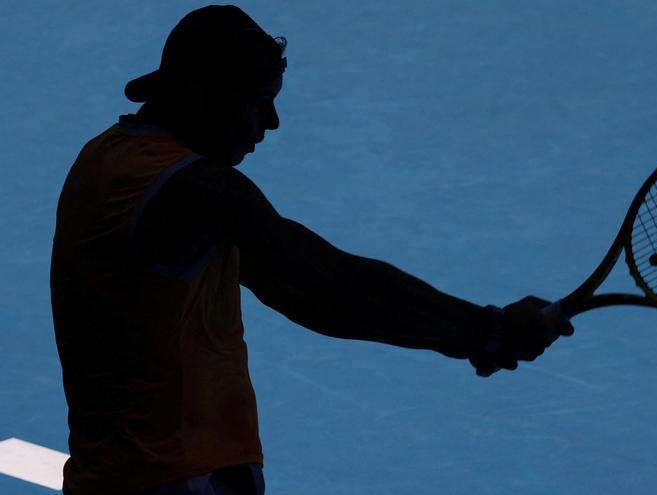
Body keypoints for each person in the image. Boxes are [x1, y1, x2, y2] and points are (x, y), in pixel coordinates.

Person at [50, 5, 573, 495]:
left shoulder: (108, 160)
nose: (271, 122)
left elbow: (298, 280)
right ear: (199, 97)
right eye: (258, 102)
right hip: (175, 477)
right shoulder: (195, 191)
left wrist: (482, 333)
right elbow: (331, 290)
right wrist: (489, 331)